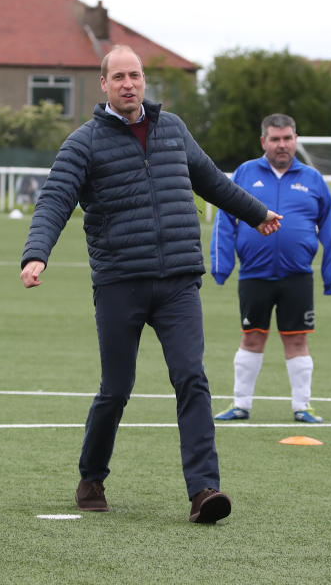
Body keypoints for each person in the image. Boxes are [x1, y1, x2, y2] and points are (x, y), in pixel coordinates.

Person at [19, 45, 282, 524]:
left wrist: (257, 213)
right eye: (118, 76)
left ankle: (205, 491)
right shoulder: (83, 143)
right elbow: (55, 199)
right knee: (117, 388)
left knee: (192, 378)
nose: (128, 83)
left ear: (144, 81)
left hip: (179, 281)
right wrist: (37, 254)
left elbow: (211, 182)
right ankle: (92, 476)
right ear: (103, 85)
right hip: (120, 282)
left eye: (134, 75)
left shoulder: (173, 129)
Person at [209, 113, 331, 424]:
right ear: (263, 142)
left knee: (297, 339)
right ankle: (240, 405)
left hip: (297, 277)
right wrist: (222, 266)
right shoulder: (245, 174)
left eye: (287, 138)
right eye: (275, 139)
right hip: (254, 275)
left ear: (295, 140)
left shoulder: (313, 179)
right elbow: (225, 220)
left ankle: (303, 406)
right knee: (251, 336)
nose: (282, 145)